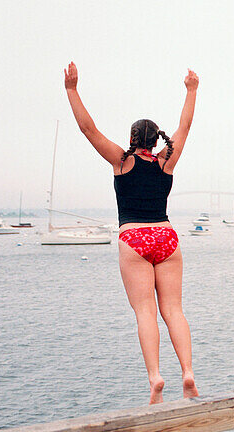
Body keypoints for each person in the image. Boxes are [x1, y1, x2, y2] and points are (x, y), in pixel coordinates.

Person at [64, 62, 200, 404]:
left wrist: (72, 89)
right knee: (174, 310)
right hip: (167, 237)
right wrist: (191, 90)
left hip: (134, 239)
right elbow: (185, 126)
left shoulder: (122, 162)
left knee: (145, 312)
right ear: (156, 141)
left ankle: (155, 378)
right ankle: (188, 372)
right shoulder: (166, 161)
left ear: (130, 140)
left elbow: (88, 129)